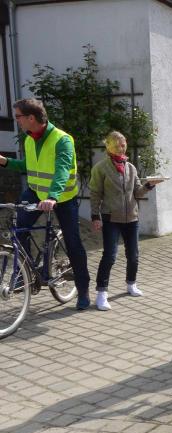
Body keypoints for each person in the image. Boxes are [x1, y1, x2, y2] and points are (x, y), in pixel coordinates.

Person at [0, 98, 91, 309]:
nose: (17, 121)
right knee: (18, 228)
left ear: (31, 118)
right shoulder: (29, 139)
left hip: (63, 198)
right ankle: (24, 274)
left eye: (18, 117)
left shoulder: (62, 140)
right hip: (35, 193)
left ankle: (83, 291)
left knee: (73, 243)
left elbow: (62, 170)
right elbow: (29, 166)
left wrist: (52, 197)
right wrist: (5, 161)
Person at [89, 131, 161, 311]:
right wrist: (95, 216)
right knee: (110, 256)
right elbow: (95, 193)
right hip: (111, 217)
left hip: (132, 217)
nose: (122, 148)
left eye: (124, 144)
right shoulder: (101, 168)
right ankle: (101, 293)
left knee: (133, 255)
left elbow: (137, 192)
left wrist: (149, 185)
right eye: (118, 145)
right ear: (110, 146)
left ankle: (131, 284)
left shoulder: (131, 167)